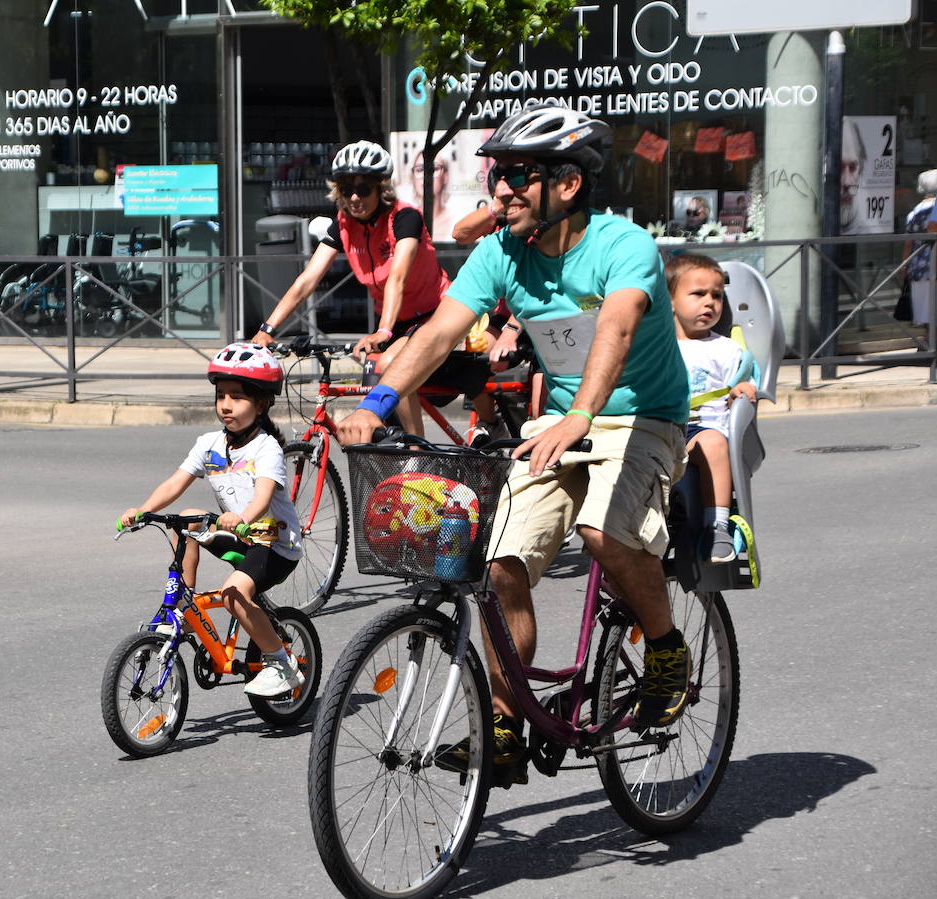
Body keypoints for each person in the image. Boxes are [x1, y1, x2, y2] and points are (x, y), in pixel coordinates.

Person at [336, 106, 692, 784]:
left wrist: (582, 414)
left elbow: (616, 328)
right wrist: (376, 402)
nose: (500, 190)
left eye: (518, 176)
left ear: (568, 185)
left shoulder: (623, 247)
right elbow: (438, 334)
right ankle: (504, 724)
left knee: (601, 533)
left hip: (642, 417)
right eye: (497, 175)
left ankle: (668, 648)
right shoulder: (500, 253)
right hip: (556, 422)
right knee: (497, 566)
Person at [118, 343, 305, 698]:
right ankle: (184, 604)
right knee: (185, 519)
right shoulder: (209, 444)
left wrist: (243, 517)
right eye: (221, 395)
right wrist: (142, 510)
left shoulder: (267, 449)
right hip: (239, 536)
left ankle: (282, 664)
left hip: (274, 544)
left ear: (262, 403)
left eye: (237, 397)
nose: (226, 405)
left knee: (233, 594)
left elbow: (264, 494)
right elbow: (176, 481)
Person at [252, 140, 451, 436]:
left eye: (364, 189)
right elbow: (307, 280)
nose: (355, 197)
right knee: (371, 396)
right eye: (347, 190)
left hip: (435, 314)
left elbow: (398, 276)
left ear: (381, 189)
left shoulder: (404, 217)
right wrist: (267, 329)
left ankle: (416, 449)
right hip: (395, 321)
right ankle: (384, 458)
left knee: (393, 362)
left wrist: (383, 332)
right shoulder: (343, 225)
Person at [666, 254, 757, 563]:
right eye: (698, 294)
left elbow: (744, 382)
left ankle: (717, 525)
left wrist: (744, 389)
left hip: (707, 429)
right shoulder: (657, 346)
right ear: (671, 301)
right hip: (665, 429)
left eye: (716, 296)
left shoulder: (726, 348)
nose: (709, 303)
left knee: (714, 442)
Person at [901, 168, 937, 326]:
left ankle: (927, 341)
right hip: (934, 265)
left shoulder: (914, 212)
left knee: (923, 312)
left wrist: (904, 267)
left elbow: (908, 244)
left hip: (919, 266)